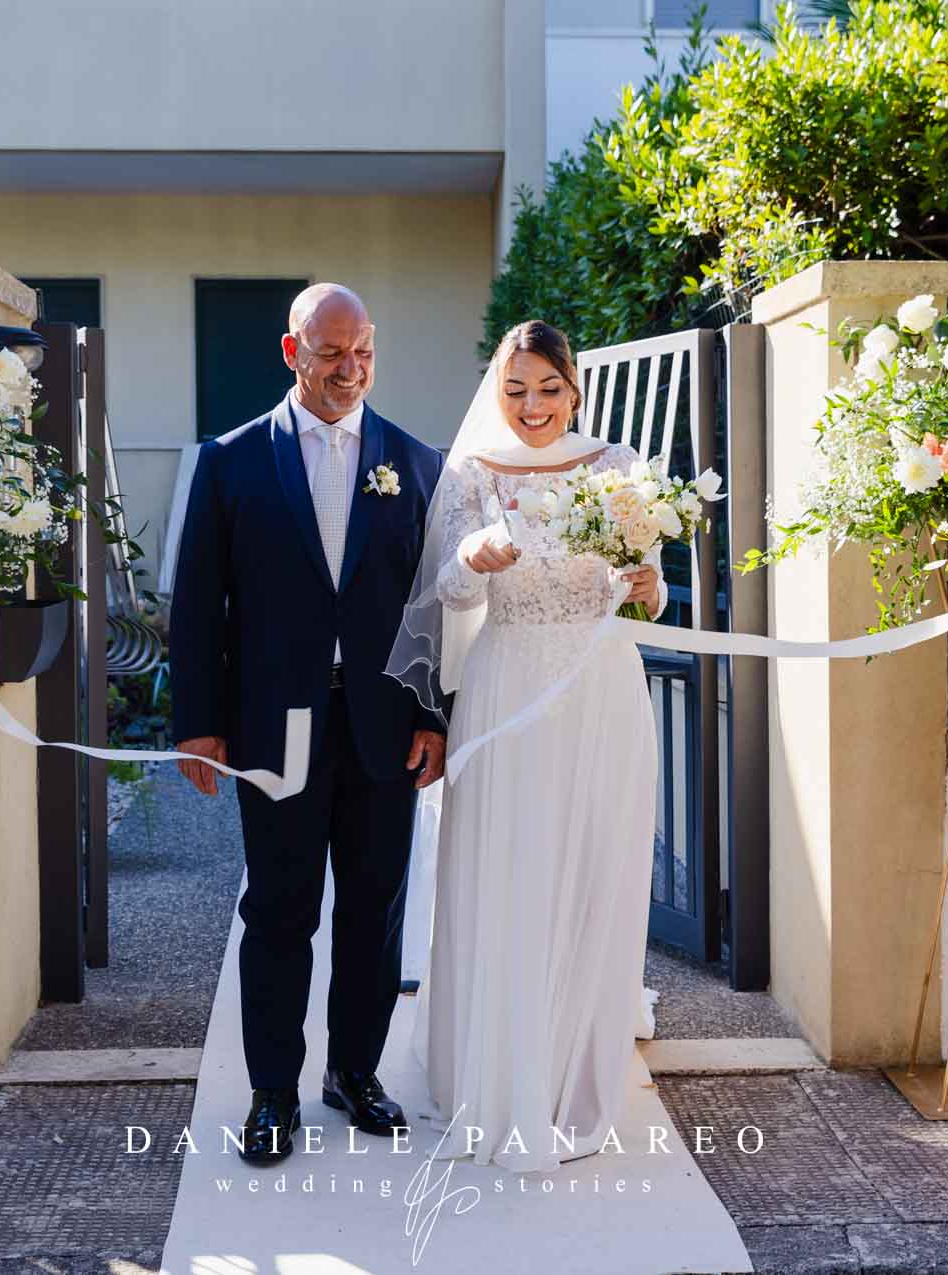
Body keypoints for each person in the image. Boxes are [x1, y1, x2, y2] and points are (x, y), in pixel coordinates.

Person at [169, 283, 446, 1164]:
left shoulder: (415, 461)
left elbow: (434, 605)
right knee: (279, 909)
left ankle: (354, 1072)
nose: (350, 369)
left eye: (363, 351)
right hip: (275, 721)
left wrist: (434, 714)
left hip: (382, 724)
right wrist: (198, 722)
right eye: (331, 353)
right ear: (292, 352)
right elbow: (197, 602)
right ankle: (272, 1091)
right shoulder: (229, 460)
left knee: (374, 906)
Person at [388, 320, 665, 1172]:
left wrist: (647, 585)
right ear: (497, 394)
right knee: (511, 862)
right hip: (507, 682)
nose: (533, 405)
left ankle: (574, 1059)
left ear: (573, 389)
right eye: (516, 390)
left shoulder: (617, 465)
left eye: (548, 388)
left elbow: (647, 592)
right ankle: (502, 1063)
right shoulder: (473, 470)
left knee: (592, 860)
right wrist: (476, 554)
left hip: (600, 686)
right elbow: (447, 590)